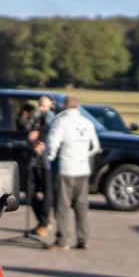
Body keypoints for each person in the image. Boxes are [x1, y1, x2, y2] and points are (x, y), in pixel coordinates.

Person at [45, 95, 101, 250]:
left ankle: (62, 240)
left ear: (64, 106)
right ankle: (83, 239)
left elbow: (52, 143)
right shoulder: (87, 123)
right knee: (81, 205)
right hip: (83, 169)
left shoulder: (61, 122)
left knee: (63, 206)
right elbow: (95, 146)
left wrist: (51, 156)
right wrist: (84, 156)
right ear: (78, 106)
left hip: (66, 169)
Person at [27, 95, 56, 236]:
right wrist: (31, 135)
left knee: (47, 193)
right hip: (34, 160)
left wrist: (45, 145)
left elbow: (55, 138)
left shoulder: (53, 120)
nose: (41, 108)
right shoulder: (37, 119)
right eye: (39, 105)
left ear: (51, 105)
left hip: (46, 162)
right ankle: (43, 220)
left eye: (44, 105)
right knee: (30, 192)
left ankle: (44, 223)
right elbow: (30, 133)